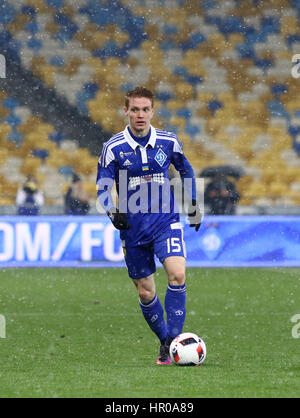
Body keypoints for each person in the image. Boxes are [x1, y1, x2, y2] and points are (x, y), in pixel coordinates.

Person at [96, 86, 202, 365]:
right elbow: (103, 188)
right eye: (135, 109)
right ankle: (165, 340)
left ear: (153, 111)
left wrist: (192, 202)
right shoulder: (113, 148)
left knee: (177, 275)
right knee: (146, 292)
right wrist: (112, 212)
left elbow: (185, 169)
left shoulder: (168, 141)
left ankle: (175, 341)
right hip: (133, 229)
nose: (140, 115)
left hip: (166, 221)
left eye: (145, 109)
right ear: (126, 111)